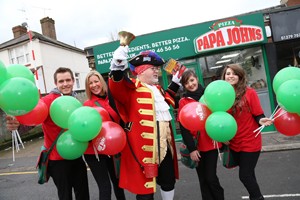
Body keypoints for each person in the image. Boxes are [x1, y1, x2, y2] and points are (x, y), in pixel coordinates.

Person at [108, 45, 181, 200]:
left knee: (168, 182)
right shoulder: (130, 89)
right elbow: (116, 87)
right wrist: (117, 67)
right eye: (153, 68)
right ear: (141, 70)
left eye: (156, 68)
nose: (156, 71)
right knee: (145, 192)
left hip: (166, 146)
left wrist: (175, 82)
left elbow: (166, 101)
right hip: (143, 150)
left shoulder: (158, 89)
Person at [6, 67, 90, 200]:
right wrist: (18, 125)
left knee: (83, 194)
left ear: (73, 81)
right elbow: (32, 120)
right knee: (65, 196)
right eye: (61, 81)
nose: (65, 84)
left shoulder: (76, 101)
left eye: (68, 80)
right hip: (57, 160)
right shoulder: (48, 100)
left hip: (76, 156)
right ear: (56, 83)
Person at [221, 64, 273, 200]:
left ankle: (258, 197)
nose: (230, 76)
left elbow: (258, 114)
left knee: (244, 175)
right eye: (227, 73)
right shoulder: (221, 95)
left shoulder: (249, 92)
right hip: (234, 142)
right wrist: (222, 137)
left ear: (240, 76)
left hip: (250, 140)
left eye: (234, 73)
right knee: (250, 174)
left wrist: (261, 120)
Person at [177, 69, 224, 200]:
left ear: (197, 79)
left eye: (192, 80)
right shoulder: (184, 101)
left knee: (211, 177)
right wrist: (192, 149)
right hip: (196, 145)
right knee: (202, 180)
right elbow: (183, 127)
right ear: (184, 86)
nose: (191, 84)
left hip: (210, 143)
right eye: (187, 83)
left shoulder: (208, 96)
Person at [83, 70, 126, 200]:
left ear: (102, 82)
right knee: (105, 188)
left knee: (119, 184)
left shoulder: (112, 99)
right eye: (90, 83)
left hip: (113, 149)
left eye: (96, 81)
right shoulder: (87, 105)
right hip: (94, 152)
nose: (94, 85)